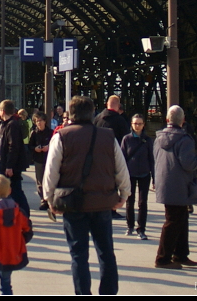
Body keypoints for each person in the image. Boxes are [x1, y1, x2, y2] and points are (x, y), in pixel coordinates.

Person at [43, 96, 131, 295]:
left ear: (70, 114)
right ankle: (108, 292)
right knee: (106, 252)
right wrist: (124, 195)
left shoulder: (62, 136)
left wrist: (49, 199)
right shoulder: (108, 136)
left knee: (78, 254)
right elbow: (121, 168)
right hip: (102, 204)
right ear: (92, 113)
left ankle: (83, 293)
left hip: (73, 204)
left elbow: (51, 171)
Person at [153, 105, 197, 269]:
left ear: (167, 120)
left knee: (180, 219)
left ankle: (181, 254)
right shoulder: (185, 140)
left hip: (164, 183)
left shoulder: (158, 139)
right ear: (183, 121)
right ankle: (163, 258)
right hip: (180, 185)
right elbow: (189, 164)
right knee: (173, 221)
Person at [120, 114, 154, 239]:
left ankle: (141, 229)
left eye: (140, 123)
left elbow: (152, 159)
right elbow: (122, 159)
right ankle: (130, 226)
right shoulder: (126, 139)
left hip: (144, 173)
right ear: (131, 124)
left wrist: (155, 178)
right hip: (130, 174)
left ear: (143, 124)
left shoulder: (148, 140)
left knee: (142, 202)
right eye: (135, 123)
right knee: (130, 201)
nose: (137, 126)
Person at [0, 100, 31, 217]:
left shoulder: (12, 125)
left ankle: (24, 214)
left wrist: (10, 165)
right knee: (12, 191)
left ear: (2, 111)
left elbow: (13, 146)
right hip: (4, 163)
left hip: (11, 166)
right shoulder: (6, 124)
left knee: (15, 191)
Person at [28, 112, 53, 210]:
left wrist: (48, 147)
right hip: (38, 159)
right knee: (40, 181)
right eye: (37, 121)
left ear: (45, 121)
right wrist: (35, 148)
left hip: (49, 159)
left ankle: (49, 199)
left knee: (49, 179)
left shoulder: (50, 132)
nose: (39, 123)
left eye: (40, 121)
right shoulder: (34, 133)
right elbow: (30, 146)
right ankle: (43, 200)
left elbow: (55, 145)